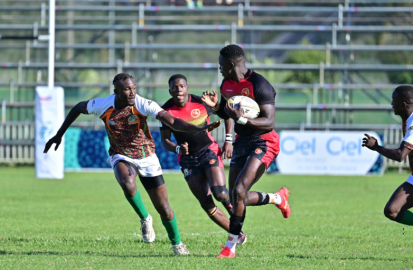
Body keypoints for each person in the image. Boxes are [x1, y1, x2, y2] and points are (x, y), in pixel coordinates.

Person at [44, 73, 221, 255]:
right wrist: (59, 134)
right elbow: (78, 108)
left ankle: (177, 244)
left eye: (134, 88)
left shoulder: (143, 104)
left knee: (164, 209)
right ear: (116, 92)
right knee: (127, 183)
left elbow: (173, 121)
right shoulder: (102, 104)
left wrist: (199, 128)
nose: (132, 93)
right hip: (121, 154)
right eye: (127, 89)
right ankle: (145, 218)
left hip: (147, 156)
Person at [202, 44, 291, 258]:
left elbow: (269, 122)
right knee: (235, 197)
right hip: (242, 142)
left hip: (263, 141)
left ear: (232, 63)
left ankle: (230, 246)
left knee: (240, 190)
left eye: (222, 64)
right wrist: (216, 108)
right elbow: (227, 113)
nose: (220, 68)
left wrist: (241, 118)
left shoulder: (260, 85)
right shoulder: (226, 84)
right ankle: (276, 198)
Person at [160, 74, 247, 245]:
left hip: (208, 151)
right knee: (207, 205)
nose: (179, 89)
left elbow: (227, 114)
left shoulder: (201, 102)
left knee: (221, 194)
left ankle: (235, 217)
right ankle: (237, 234)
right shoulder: (165, 111)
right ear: (170, 90)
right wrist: (177, 148)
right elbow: (165, 141)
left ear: (187, 88)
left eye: (182, 86)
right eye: (175, 87)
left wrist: (229, 140)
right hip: (187, 160)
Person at [363, 85, 413, 227]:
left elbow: (400, 155)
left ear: (403, 104)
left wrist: (376, 147)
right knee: (392, 210)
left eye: (394, 100)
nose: (391, 104)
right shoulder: (408, 119)